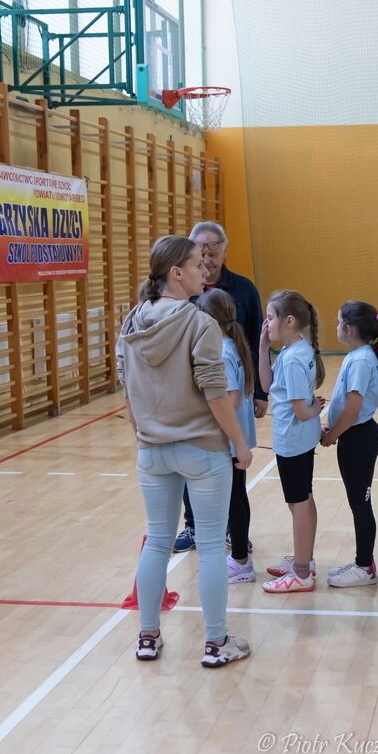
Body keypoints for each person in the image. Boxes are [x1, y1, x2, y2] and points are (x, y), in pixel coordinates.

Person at [117, 235, 253, 667]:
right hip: (202, 451)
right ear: (176, 273)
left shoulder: (132, 322)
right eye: (197, 264)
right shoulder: (200, 324)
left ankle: (147, 636)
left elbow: (127, 387)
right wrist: (240, 442)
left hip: (152, 452)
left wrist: (143, 432)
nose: (205, 270)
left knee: (157, 541)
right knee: (211, 547)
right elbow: (215, 393)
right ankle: (216, 643)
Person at [174, 221, 265, 553]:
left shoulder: (243, 289)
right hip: (195, 400)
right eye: (201, 253)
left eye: (213, 251)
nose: (207, 259)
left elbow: (255, 341)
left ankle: (232, 533)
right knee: (194, 469)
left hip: (223, 402)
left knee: (231, 478)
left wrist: (260, 392)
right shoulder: (182, 289)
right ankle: (195, 526)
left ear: (224, 250)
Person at [320, 301, 378, 588]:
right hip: (352, 435)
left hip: (359, 437)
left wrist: (332, 434)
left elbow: (353, 408)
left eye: (339, 322)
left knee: (361, 503)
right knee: (356, 502)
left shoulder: (361, 360)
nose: (337, 327)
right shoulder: (357, 356)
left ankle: (365, 567)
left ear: (349, 329)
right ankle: (364, 561)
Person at [259, 290, 326, 593]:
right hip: (299, 439)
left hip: (293, 440)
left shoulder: (294, 358)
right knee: (303, 499)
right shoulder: (293, 351)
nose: (266, 324)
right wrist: (263, 347)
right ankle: (304, 560)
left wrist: (315, 410)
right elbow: (266, 384)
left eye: (270, 318)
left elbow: (301, 409)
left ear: (289, 321)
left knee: (298, 503)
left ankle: (301, 573)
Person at [197, 289, 258, 584]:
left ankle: (240, 561)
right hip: (237, 435)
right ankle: (241, 554)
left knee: (233, 499)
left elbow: (231, 399)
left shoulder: (221, 351)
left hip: (230, 438)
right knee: (238, 496)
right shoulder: (233, 345)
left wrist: (205, 410)